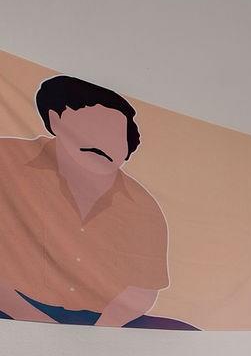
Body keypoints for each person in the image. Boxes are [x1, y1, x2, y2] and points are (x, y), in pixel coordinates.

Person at [0, 75, 172, 327]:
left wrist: (101, 332)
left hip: (102, 318)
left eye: (114, 134)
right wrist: (33, 321)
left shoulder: (140, 204)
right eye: (89, 127)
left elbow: (143, 289)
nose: (101, 143)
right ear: (55, 120)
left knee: (180, 334)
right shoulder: (7, 161)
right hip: (12, 304)